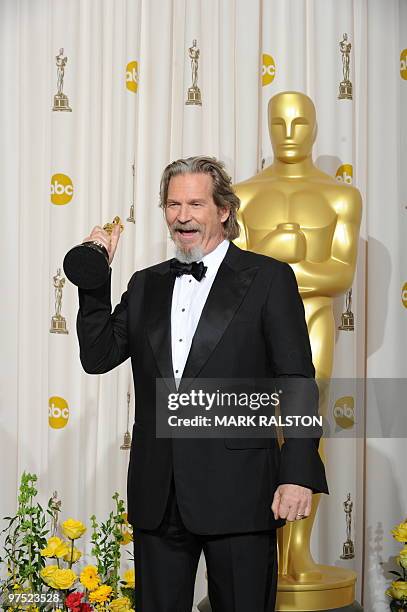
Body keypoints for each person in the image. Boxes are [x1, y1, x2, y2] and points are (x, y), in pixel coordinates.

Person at [76, 156, 328, 612]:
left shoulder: (269, 279)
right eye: (172, 204)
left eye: (195, 203)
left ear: (224, 210)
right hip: (160, 494)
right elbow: (97, 357)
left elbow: (297, 380)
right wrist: (95, 282)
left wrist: (297, 473)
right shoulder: (146, 284)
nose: (182, 216)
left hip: (240, 492)